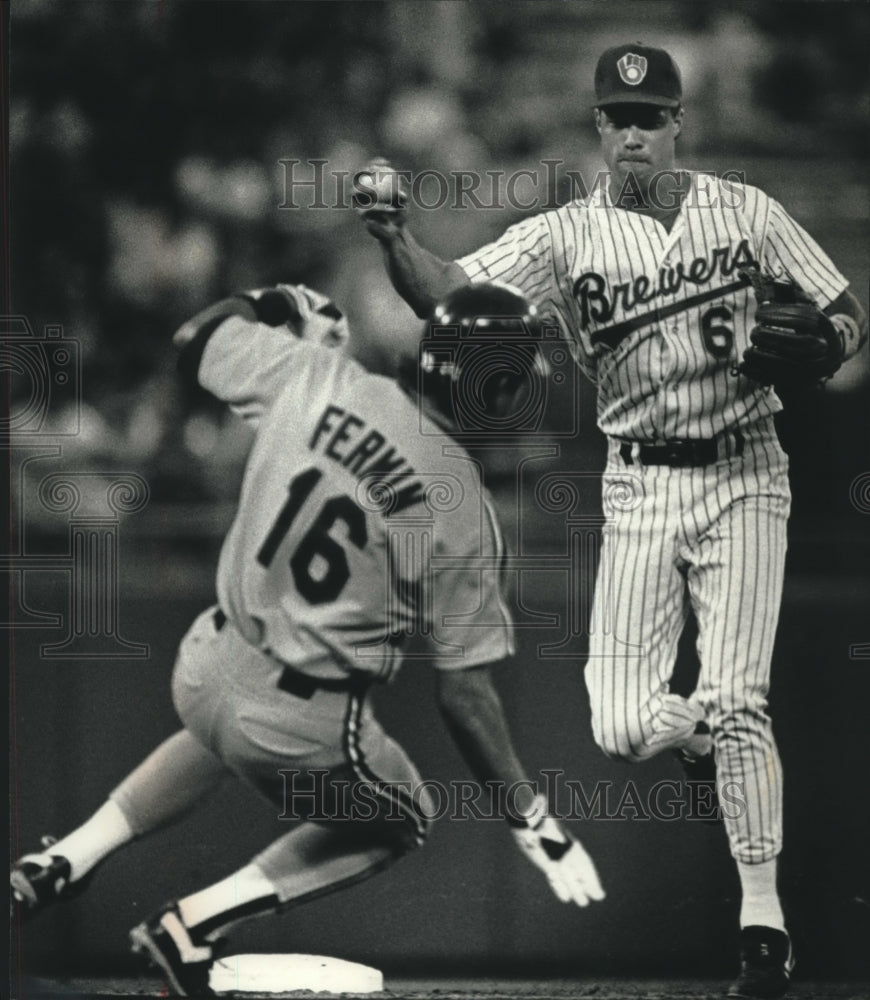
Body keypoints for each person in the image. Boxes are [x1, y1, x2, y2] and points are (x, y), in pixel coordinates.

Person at [356, 42, 868, 1000]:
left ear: (678, 124)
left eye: (652, 117)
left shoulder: (746, 212)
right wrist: (393, 238)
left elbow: (845, 310)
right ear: (598, 126)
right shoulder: (565, 237)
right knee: (622, 727)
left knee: (741, 695)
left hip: (748, 470)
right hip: (638, 487)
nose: (634, 134)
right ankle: (704, 737)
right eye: (618, 118)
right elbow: (449, 298)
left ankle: (765, 929)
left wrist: (830, 345)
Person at [10, 281, 604, 997]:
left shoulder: (318, 373)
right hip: (297, 724)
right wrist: (531, 819)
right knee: (404, 815)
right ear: (499, 392)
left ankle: (62, 861)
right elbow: (467, 697)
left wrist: (274, 304)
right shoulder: (463, 506)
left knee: (220, 726)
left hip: (205, 665)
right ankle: (196, 923)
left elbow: (195, 337)